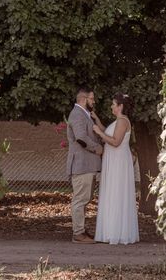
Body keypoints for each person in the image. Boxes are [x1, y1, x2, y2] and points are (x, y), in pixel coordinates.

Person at [92, 93, 139, 244]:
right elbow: (108, 132)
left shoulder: (123, 121)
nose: (111, 106)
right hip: (114, 161)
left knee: (116, 192)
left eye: (113, 104)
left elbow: (115, 141)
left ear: (120, 106)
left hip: (118, 162)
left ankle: (117, 232)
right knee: (112, 192)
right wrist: (97, 121)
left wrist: (98, 132)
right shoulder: (118, 121)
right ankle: (111, 230)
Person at [66, 87, 103, 244]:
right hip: (82, 165)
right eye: (92, 99)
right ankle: (78, 234)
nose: (93, 101)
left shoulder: (85, 115)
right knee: (80, 199)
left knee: (84, 199)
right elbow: (81, 137)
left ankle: (81, 229)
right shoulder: (77, 114)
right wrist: (97, 148)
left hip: (87, 165)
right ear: (83, 99)